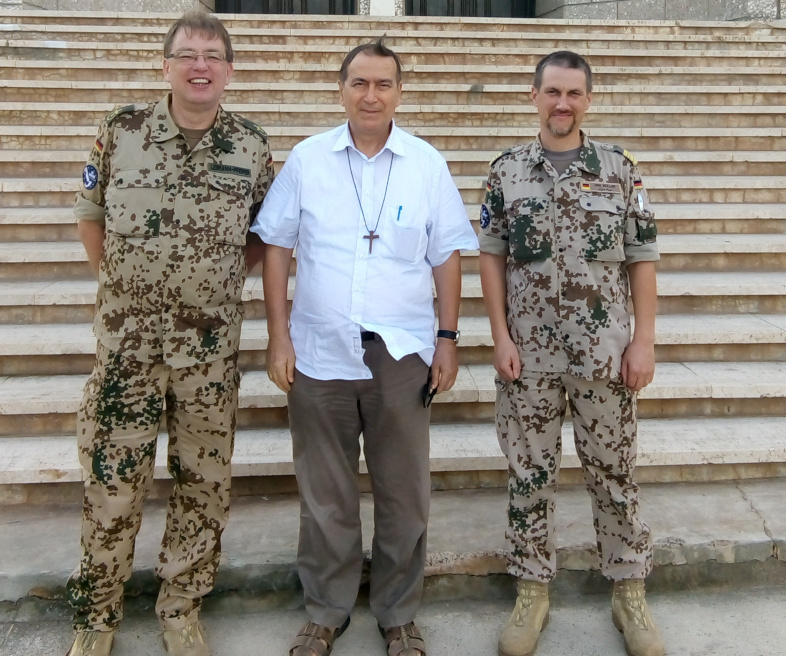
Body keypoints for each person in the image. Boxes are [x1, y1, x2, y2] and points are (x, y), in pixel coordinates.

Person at [252, 37, 478, 656]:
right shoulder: (308, 160)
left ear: (399, 93)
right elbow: (277, 247)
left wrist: (448, 339)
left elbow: (446, 256)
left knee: (404, 493)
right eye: (359, 83)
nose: (370, 95)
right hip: (319, 351)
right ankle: (326, 611)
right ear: (341, 90)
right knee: (325, 492)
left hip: (401, 356)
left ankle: (398, 614)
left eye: (383, 84)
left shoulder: (426, 164)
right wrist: (278, 336)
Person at [67, 11, 274, 656]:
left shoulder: (250, 147)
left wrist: (211, 282)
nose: (199, 66)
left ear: (229, 71)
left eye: (212, 56)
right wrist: (122, 288)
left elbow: (263, 234)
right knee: (112, 483)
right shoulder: (121, 131)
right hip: (126, 350)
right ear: (166, 66)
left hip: (208, 353)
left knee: (203, 484)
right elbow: (91, 215)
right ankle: (96, 616)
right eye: (187, 54)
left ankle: (181, 605)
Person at [478, 51, 665, 656]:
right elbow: (491, 256)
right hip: (528, 356)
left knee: (615, 474)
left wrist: (643, 340)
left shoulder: (619, 170)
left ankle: (628, 590)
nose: (563, 104)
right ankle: (532, 590)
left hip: (604, 356)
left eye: (574, 93)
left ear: (589, 99)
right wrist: (500, 336)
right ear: (534, 96)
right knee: (529, 475)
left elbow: (642, 258)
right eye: (553, 92)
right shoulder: (506, 171)